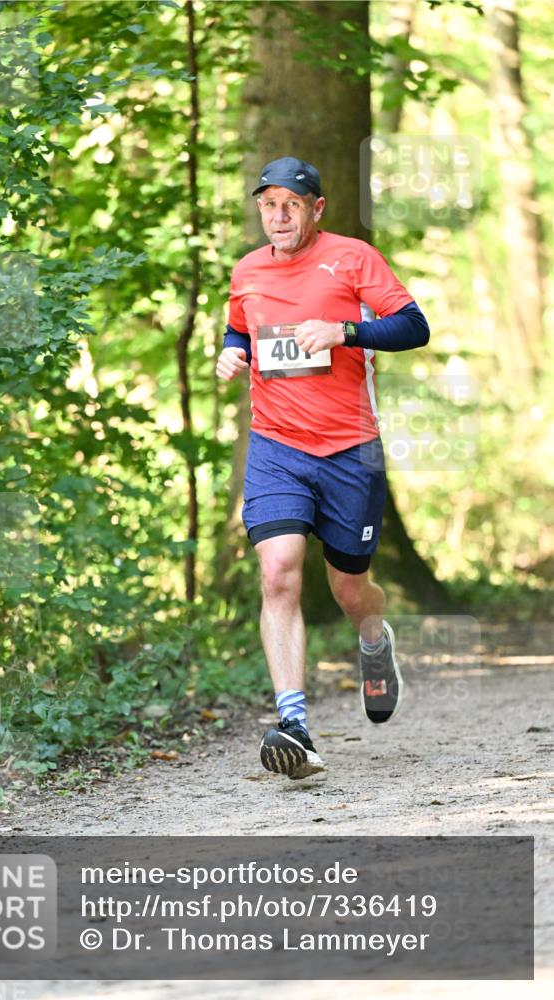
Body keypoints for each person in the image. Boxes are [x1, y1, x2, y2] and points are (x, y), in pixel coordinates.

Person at [216, 156, 430, 780]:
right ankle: (294, 724)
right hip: (276, 447)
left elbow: (413, 327)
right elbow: (240, 332)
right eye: (268, 204)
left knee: (348, 588)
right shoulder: (247, 271)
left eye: (291, 204)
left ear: (316, 208)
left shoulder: (353, 257)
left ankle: (373, 639)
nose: (278, 216)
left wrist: (344, 330)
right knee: (278, 573)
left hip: (349, 451)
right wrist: (233, 355)